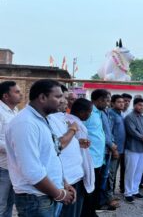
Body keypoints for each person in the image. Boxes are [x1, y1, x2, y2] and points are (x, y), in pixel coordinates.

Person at [6, 79, 75, 216]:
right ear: (42, 97)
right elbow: (32, 171)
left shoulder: (43, 119)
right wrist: (60, 194)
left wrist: (63, 183)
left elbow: (50, 156)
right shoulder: (26, 123)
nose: (62, 101)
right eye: (58, 96)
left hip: (48, 194)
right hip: (36, 199)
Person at [49, 85, 86, 217]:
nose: (65, 101)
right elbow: (59, 144)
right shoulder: (48, 119)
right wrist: (72, 130)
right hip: (65, 178)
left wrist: (77, 141)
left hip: (74, 176)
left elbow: (66, 140)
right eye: (62, 97)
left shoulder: (63, 117)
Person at [82, 89, 110, 216]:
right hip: (90, 158)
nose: (107, 104)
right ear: (99, 100)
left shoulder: (98, 113)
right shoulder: (88, 113)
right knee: (89, 188)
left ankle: (91, 211)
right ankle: (88, 213)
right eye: (106, 101)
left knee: (95, 187)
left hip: (99, 157)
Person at [123, 97, 143, 203]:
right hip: (132, 148)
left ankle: (135, 190)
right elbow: (132, 131)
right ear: (134, 105)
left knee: (139, 171)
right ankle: (128, 193)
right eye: (139, 105)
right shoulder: (129, 117)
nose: (141, 107)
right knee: (130, 171)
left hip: (141, 149)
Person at [0, 81, 21, 217]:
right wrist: (17, 151)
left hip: (13, 167)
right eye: (17, 92)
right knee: (1, 205)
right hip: (2, 167)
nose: (20, 94)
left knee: (9, 204)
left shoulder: (15, 111)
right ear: (6, 96)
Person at [107, 95, 126, 203]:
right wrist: (113, 149)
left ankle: (112, 194)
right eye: (119, 102)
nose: (122, 104)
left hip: (121, 150)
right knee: (111, 174)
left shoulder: (120, 114)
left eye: (122, 102)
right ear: (112, 103)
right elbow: (109, 133)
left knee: (114, 174)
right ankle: (109, 197)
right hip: (114, 150)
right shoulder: (111, 114)